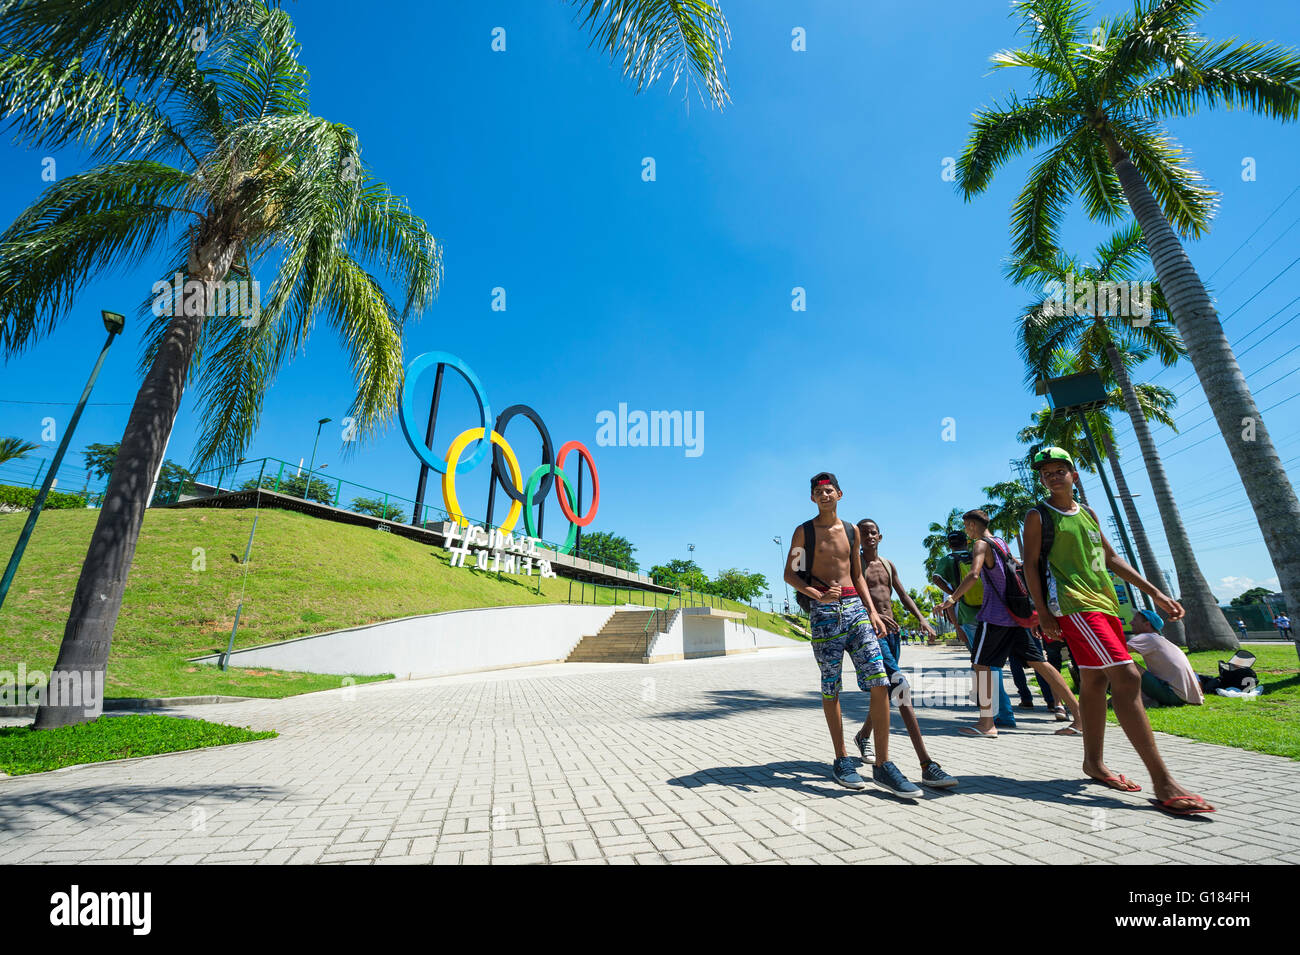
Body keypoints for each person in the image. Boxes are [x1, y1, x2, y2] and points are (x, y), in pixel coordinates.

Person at [1024, 446, 1215, 815]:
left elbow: (1108, 559)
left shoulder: (1089, 514)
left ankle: (1093, 763)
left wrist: (1155, 592)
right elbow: (1031, 565)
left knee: (1095, 682)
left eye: (1059, 470)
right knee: (1127, 677)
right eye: (1046, 473)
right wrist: (1044, 611)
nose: (1052, 476)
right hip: (1074, 604)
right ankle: (1164, 781)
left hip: (1104, 603)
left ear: (1074, 475)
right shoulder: (1038, 516)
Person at [783, 473, 921, 796]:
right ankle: (842, 757)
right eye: (818, 491)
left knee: (880, 680)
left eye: (829, 490)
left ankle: (884, 765)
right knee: (831, 684)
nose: (824, 495)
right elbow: (790, 573)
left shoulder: (851, 531)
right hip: (824, 614)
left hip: (856, 609)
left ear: (840, 494)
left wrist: (872, 611)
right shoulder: (804, 532)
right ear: (812, 499)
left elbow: (857, 574)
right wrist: (816, 596)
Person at [937, 509, 1081, 738]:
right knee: (1041, 663)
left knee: (980, 665)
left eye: (966, 526)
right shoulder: (1002, 543)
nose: (966, 531)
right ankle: (1080, 717)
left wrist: (952, 599)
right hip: (1016, 616)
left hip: (995, 616)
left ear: (973, 525)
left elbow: (974, 574)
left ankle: (986, 723)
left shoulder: (981, 545)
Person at [856, 518, 959, 788]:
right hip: (871, 634)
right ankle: (926, 764)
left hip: (893, 635)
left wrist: (923, 620)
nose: (868, 536)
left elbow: (903, 595)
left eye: (872, 532)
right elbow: (856, 599)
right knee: (901, 688)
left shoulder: (888, 565)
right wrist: (873, 614)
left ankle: (863, 736)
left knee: (886, 690)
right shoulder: (855, 565)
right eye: (863, 533)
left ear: (880, 536)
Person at [931, 530, 1018, 729]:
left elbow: (936, 578)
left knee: (986, 665)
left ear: (950, 545)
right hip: (994, 612)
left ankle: (1002, 713)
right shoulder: (975, 553)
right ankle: (994, 709)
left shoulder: (947, 560)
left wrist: (955, 594)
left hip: (969, 616)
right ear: (966, 542)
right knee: (987, 665)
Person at [1127, 609, 1203, 707]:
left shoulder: (1147, 637)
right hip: (1186, 696)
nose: (1131, 623)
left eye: (1135, 620)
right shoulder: (1160, 640)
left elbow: (1115, 651)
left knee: (1123, 662)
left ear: (1147, 624)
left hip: (1173, 695)